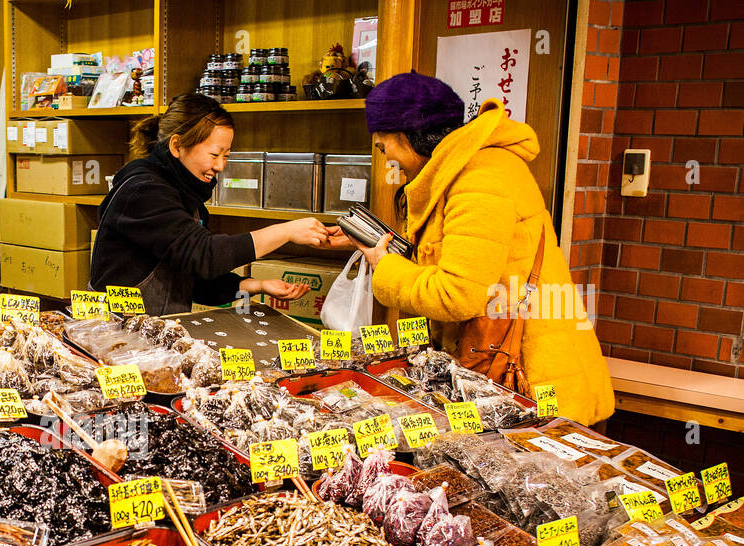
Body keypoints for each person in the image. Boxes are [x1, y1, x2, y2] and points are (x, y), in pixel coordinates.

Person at [325, 72, 614, 426]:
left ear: (404, 137)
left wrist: (384, 266)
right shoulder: (460, 169)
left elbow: (456, 294)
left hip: (527, 379)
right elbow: (454, 258)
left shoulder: (481, 178)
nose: (388, 161)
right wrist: (373, 244)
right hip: (497, 370)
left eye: (384, 147)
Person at [90, 94, 329, 316]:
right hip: (113, 330)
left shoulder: (184, 193)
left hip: (156, 334)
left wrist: (256, 285)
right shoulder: (143, 191)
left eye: (226, 155)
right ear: (176, 146)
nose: (220, 166)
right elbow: (205, 254)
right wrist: (286, 231)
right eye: (214, 154)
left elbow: (193, 277)